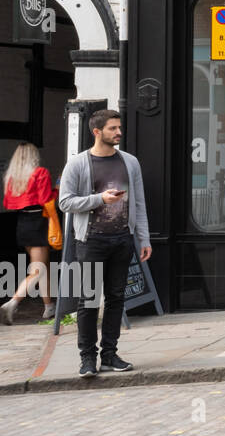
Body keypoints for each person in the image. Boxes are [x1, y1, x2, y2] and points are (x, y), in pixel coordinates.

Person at [58, 109, 152, 379]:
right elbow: (65, 202)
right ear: (97, 132)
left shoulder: (130, 162)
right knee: (87, 301)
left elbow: (139, 203)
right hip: (90, 241)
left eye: (119, 127)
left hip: (122, 239)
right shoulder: (77, 164)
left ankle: (109, 355)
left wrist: (143, 238)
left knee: (116, 299)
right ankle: (87, 358)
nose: (119, 132)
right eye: (113, 128)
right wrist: (100, 199)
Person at [0, 143, 56, 323]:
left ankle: (49, 307)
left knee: (42, 267)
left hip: (22, 222)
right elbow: (45, 199)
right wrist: (59, 189)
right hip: (38, 221)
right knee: (38, 270)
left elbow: (8, 204)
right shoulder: (40, 173)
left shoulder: (11, 178)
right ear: (33, 155)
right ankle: (12, 303)